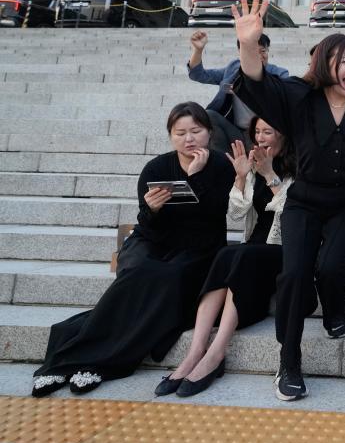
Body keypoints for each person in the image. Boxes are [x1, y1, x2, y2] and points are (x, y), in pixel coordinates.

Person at [231, 0, 345, 402]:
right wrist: (248, 44)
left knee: (331, 268)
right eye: (344, 61)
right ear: (326, 61)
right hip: (304, 201)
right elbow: (258, 83)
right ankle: (289, 361)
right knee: (294, 275)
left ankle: (334, 307)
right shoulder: (299, 95)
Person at [31, 103, 235, 397]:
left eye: (196, 131)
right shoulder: (156, 168)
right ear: (170, 136)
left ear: (209, 133)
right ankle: (63, 362)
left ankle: (101, 362)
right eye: (180, 133)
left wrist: (196, 176)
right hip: (154, 241)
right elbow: (146, 225)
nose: (188, 139)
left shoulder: (221, 166)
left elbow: (216, 214)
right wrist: (151, 210)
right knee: (139, 270)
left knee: (166, 277)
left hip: (200, 249)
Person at [155, 118, 296, 398]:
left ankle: (216, 352)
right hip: (253, 247)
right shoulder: (254, 167)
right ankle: (195, 352)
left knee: (240, 254)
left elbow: (293, 214)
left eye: (268, 131)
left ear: (283, 135)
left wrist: (270, 175)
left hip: (284, 248)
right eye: (256, 132)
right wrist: (242, 177)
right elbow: (235, 215)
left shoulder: (298, 168)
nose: (261, 137)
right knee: (228, 253)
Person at [187, 31, 289, 152]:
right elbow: (198, 75)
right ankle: (223, 162)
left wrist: (245, 89)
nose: (259, 56)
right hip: (236, 132)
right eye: (252, 51)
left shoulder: (279, 73)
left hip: (263, 135)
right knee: (209, 115)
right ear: (240, 53)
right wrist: (198, 50)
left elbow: (282, 99)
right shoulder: (233, 68)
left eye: (263, 51)